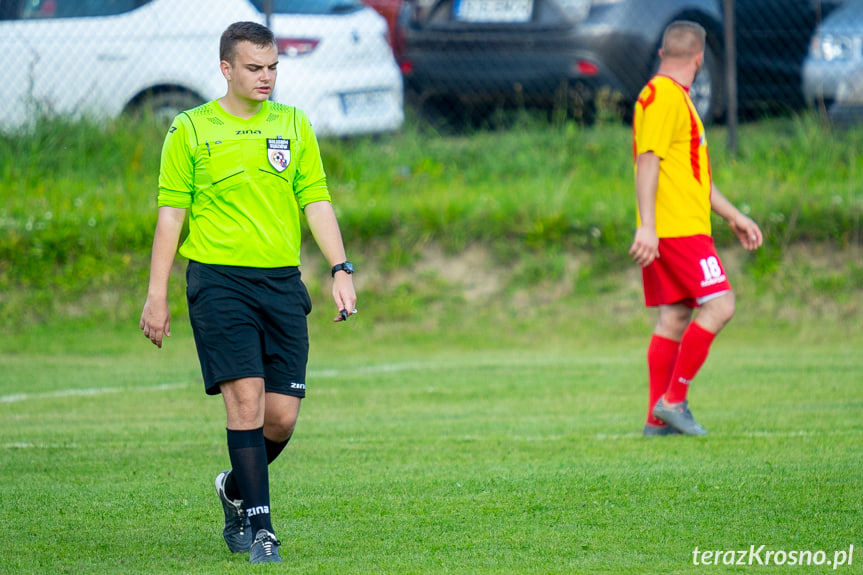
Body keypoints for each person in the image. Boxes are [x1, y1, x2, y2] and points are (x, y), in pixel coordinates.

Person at [139, 21, 357, 563]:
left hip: (281, 284)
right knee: (245, 400)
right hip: (217, 282)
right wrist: (156, 294)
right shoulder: (190, 129)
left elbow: (317, 200)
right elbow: (171, 215)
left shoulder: (293, 124)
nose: (266, 78)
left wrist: (340, 268)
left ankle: (234, 490)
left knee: (280, 417)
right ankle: (262, 532)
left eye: (273, 68)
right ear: (226, 69)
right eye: (255, 68)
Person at [629, 20, 763, 437]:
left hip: (677, 225)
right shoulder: (666, 96)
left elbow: (691, 175)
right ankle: (673, 401)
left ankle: (656, 422)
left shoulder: (672, 97)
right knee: (721, 305)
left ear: (662, 52)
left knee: (675, 315)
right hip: (677, 230)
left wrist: (731, 215)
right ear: (701, 59)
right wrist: (648, 226)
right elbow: (647, 160)